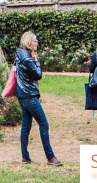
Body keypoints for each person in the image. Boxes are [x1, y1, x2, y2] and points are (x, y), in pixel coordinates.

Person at [15, 30, 63, 166]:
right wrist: (36, 61)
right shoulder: (28, 59)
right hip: (29, 95)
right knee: (44, 124)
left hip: (22, 95)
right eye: (34, 41)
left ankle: (25, 157)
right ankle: (50, 157)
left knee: (26, 126)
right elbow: (38, 75)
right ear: (29, 42)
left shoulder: (20, 55)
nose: (37, 43)